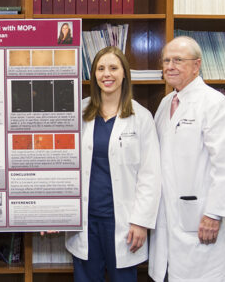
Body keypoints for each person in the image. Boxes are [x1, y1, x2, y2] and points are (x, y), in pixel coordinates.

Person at [149, 36, 225, 281]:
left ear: (197, 65)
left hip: (203, 218)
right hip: (172, 215)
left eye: (178, 60)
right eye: (166, 60)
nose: (170, 66)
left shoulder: (214, 103)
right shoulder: (165, 104)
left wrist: (213, 215)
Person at [65, 46, 162, 281]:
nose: (106, 74)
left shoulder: (141, 117)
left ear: (124, 74)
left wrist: (141, 222)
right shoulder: (78, 112)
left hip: (124, 222)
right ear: (93, 75)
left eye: (113, 68)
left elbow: (151, 175)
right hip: (85, 220)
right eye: (100, 68)